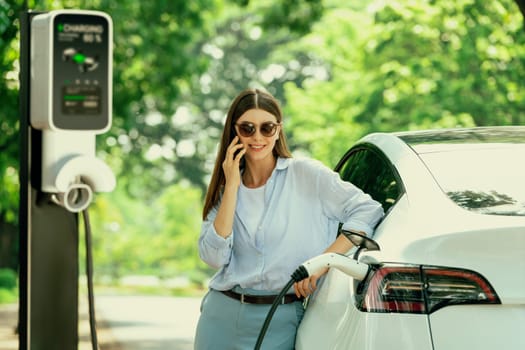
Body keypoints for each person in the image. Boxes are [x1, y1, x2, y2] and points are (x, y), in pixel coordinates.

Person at [194, 88, 384, 350]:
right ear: (234, 131)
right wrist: (232, 188)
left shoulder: (306, 175)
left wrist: (324, 262)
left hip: (280, 317)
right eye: (247, 128)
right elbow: (213, 258)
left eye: (267, 128)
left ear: (278, 130)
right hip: (221, 317)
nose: (257, 137)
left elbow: (368, 210)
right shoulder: (225, 187)